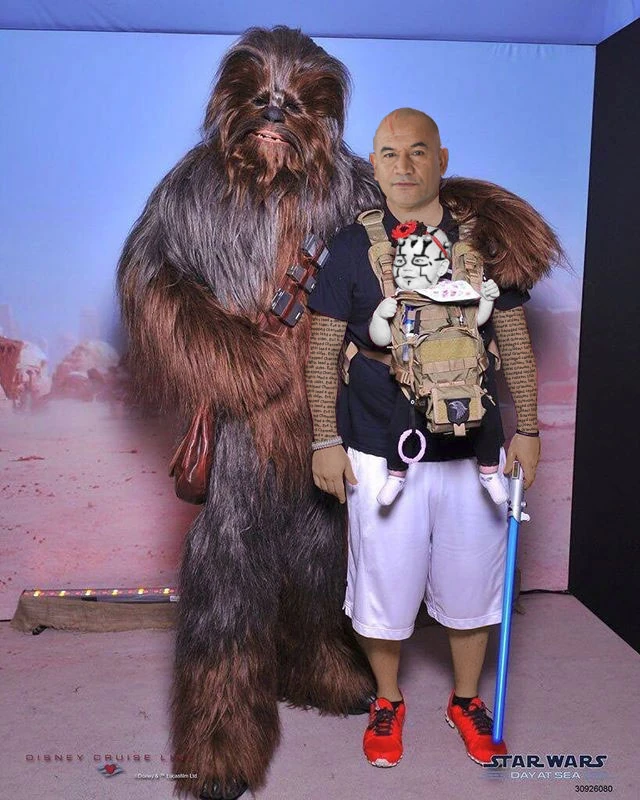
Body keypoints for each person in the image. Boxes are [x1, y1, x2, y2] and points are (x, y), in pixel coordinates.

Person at [305, 107, 561, 768]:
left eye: (418, 152)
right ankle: (388, 699)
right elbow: (323, 348)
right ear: (374, 164)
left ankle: (466, 700)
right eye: (390, 154)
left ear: (441, 159)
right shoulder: (348, 247)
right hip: (376, 446)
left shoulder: (487, 244)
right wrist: (324, 440)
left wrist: (528, 429)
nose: (404, 166)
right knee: (383, 587)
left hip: (475, 450)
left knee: (473, 584)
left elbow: (513, 342)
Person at [368, 226, 507, 506]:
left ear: (442, 267)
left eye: (419, 262)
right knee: (399, 426)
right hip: (416, 386)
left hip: (465, 379)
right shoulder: (401, 303)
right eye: (402, 262)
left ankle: (490, 471)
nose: (409, 268)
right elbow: (382, 339)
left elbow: (476, 321)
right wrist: (379, 318)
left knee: (489, 421)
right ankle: (396, 474)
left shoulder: (456, 294)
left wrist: (488, 299)